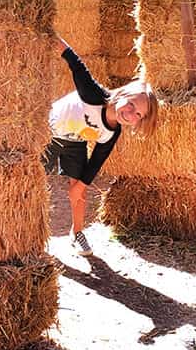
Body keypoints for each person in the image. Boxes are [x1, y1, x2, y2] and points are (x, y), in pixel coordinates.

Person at [44, 36, 159, 256]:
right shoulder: (93, 95)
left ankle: (77, 232)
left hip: (74, 142)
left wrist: (80, 185)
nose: (131, 114)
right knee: (33, 180)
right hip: (47, 135)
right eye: (132, 104)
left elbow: (96, 161)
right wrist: (49, 33)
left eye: (138, 115)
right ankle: (32, 236)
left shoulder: (112, 132)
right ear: (123, 94)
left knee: (79, 191)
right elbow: (74, 62)